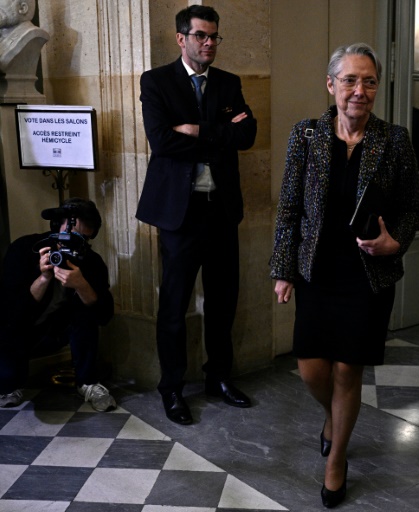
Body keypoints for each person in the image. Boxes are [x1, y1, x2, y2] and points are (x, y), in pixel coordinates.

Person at [270, 43, 419, 508]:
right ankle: (333, 420)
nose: (360, 90)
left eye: (369, 81)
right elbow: (290, 208)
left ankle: (337, 459)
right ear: (331, 84)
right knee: (312, 367)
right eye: (350, 80)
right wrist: (284, 269)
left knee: (347, 370)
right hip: (317, 270)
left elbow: (411, 208)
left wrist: (395, 241)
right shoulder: (307, 135)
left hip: (366, 275)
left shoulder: (394, 140)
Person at [136, 5, 257, 425]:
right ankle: (171, 388)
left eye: (214, 37)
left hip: (220, 210)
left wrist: (198, 130)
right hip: (179, 215)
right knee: (174, 305)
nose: (209, 44)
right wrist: (218, 136)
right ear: (181, 38)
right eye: (201, 36)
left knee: (223, 301)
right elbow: (162, 143)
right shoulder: (156, 82)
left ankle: (217, 378)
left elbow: (247, 136)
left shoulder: (229, 83)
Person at [0, 198, 116, 412]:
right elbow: (10, 313)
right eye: (70, 238)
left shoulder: (91, 261)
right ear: (56, 228)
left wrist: (82, 285)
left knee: (85, 310)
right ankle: (11, 384)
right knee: (6, 379)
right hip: (23, 328)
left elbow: (104, 315)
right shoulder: (24, 250)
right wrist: (43, 278)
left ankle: (87, 382)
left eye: (82, 240)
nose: (73, 246)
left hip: (60, 329)